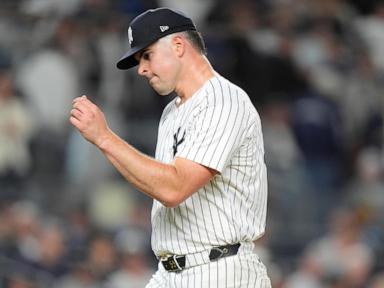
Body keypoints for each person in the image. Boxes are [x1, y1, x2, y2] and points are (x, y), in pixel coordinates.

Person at [70, 7, 271, 287]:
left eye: (147, 55)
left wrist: (105, 138)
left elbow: (173, 188)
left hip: (218, 270)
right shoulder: (172, 113)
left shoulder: (223, 102)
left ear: (178, 45)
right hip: (171, 271)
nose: (141, 69)